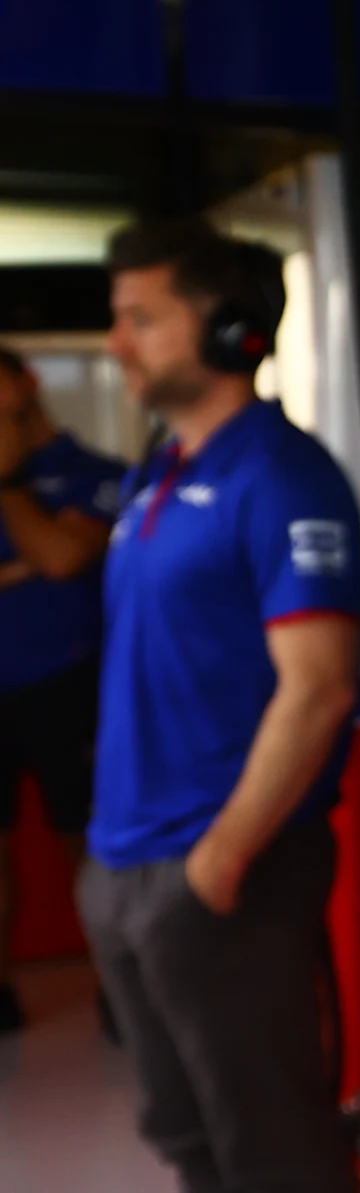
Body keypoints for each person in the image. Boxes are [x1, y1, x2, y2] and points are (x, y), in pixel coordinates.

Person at [43, 223, 360, 1193]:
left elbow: (317, 686)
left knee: (282, 1148)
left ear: (229, 329)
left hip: (217, 871)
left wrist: (223, 854)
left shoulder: (283, 476)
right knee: (190, 1137)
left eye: (140, 318)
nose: (116, 343)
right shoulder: (159, 477)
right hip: (127, 863)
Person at [0, 343, 126, 1034]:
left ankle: (119, 992)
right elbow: (44, 560)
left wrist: (8, 481)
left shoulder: (94, 472)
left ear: (24, 384)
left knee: (90, 844)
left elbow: (61, 555)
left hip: (69, 683)